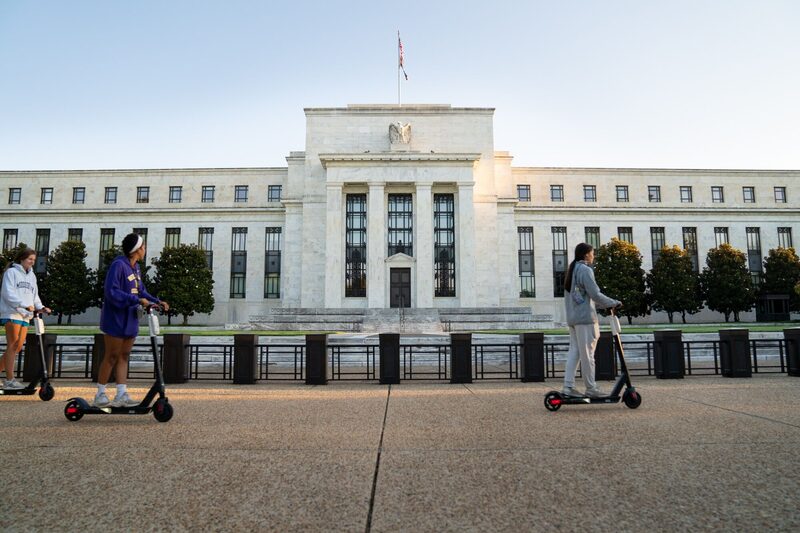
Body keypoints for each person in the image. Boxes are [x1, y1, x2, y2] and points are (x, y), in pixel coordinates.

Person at [96, 233, 169, 407]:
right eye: (143, 247)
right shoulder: (118, 265)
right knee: (111, 355)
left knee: (124, 355)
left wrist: (156, 301)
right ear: (136, 249)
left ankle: (121, 394)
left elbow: (141, 291)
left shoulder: (135, 268)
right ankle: (100, 394)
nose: (145, 249)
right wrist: (135, 300)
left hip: (130, 318)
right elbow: (111, 291)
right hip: (116, 317)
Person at [562, 243, 621, 399]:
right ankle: (591, 387)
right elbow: (595, 294)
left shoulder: (572, 270)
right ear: (586, 254)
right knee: (588, 354)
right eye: (592, 253)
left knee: (575, 352)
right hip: (586, 319)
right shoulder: (585, 270)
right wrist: (613, 302)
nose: (593, 256)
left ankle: (568, 386)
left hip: (573, 319)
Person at [1, 248, 51, 389]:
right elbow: (7, 293)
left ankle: (5, 375)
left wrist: (40, 307)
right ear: (21, 259)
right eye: (30, 259)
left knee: (17, 346)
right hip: (12, 312)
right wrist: (23, 305)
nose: (32, 262)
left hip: (26, 315)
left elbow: (34, 295)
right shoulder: (11, 273)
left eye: (34, 260)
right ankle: (9, 380)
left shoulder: (32, 276)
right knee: (13, 344)